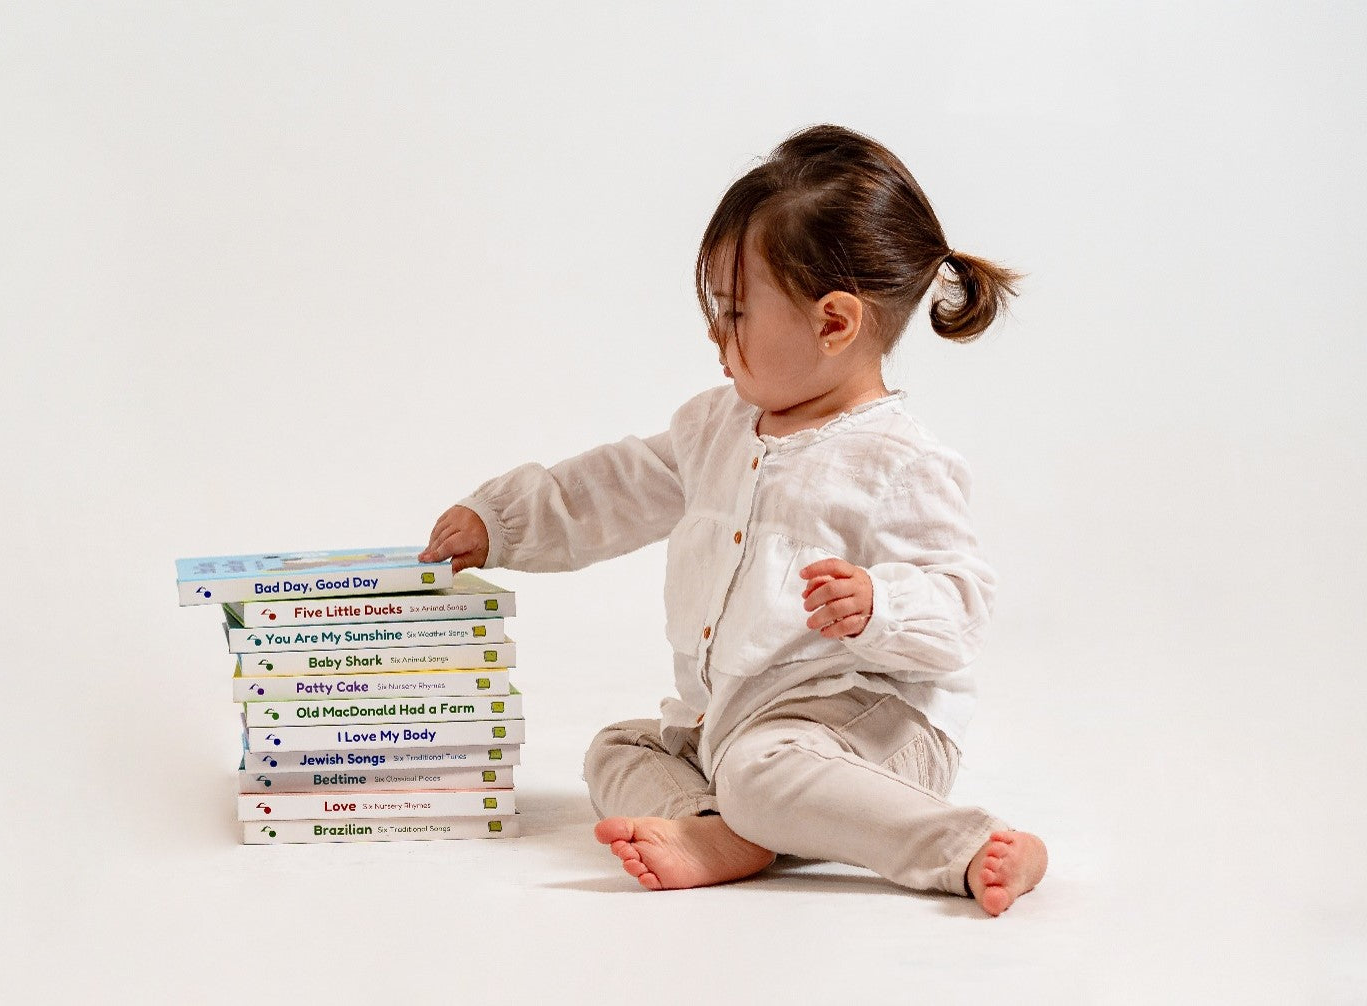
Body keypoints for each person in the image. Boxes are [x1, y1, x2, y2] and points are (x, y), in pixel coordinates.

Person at [419, 124, 1046, 916]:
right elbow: (615, 486)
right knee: (621, 748)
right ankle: (716, 827)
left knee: (760, 770)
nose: (717, 334)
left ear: (832, 324)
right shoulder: (716, 428)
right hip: (732, 725)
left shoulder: (895, 461)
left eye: (736, 312)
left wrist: (878, 604)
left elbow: (959, 606)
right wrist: (499, 522)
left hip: (871, 734)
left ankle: (963, 847)